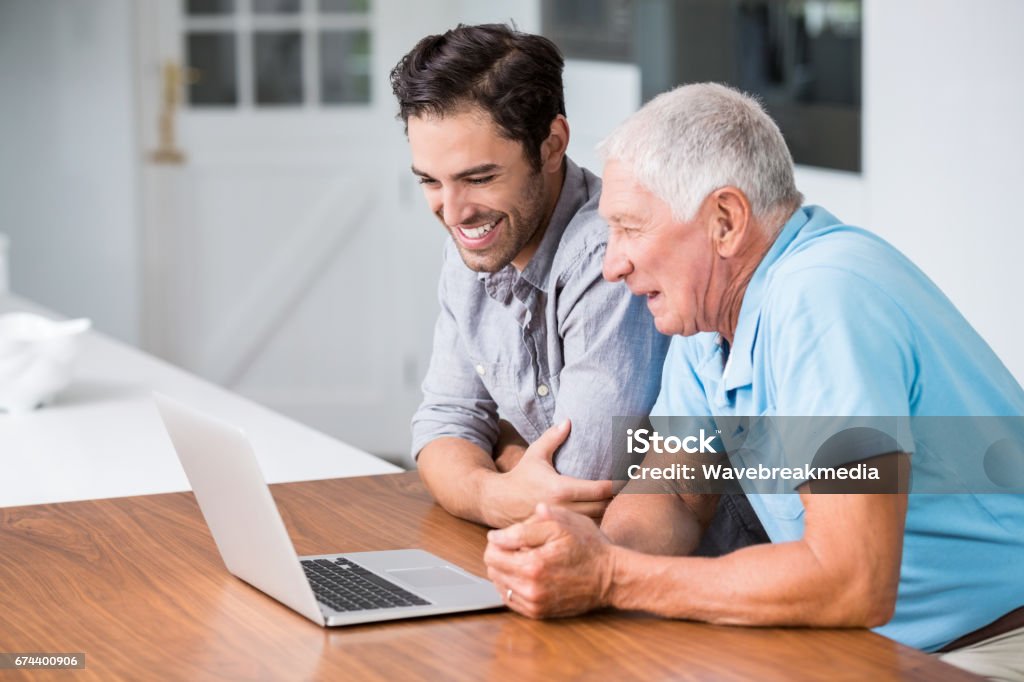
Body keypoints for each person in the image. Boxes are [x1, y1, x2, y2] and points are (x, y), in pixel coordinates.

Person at [484, 83, 1024, 680]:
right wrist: (586, 560)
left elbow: (853, 580)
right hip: (874, 644)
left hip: (989, 647)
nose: (613, 265)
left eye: (631, 229)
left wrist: (612, 577)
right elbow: (675, 492)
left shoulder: (823, 298)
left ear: (726, 221)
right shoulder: (709, 328)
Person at [387, 24, 674, 529]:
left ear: (551, 145)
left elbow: (582, 484)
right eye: (431, 181)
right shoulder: (476, 244)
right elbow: (441, 425)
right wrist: (494, 492)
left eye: (479, 178)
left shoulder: (608, 255)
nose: (453, 213)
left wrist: (495, 448)